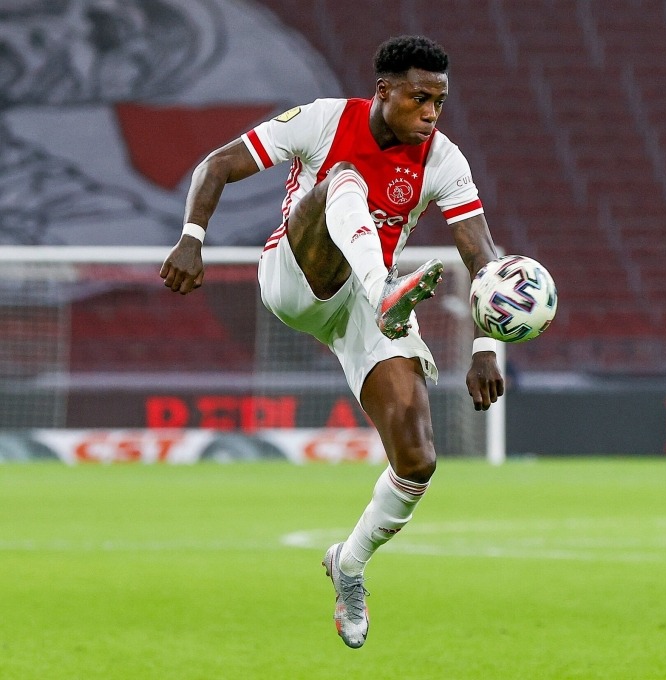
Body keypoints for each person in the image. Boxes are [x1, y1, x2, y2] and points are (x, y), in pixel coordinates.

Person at [160, 35, 505, 648]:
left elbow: (483, 259)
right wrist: (192, 237)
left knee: (418, 459)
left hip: (363, 309)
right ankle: (385, 291)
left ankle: (348, 564)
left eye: (440, 102)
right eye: (419, 99)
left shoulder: (443, 160)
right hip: (296, 276)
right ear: (384, 91)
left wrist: (484, 349)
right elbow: (217, 164)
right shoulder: (323, 120)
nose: (431, 113)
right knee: (344, 176)